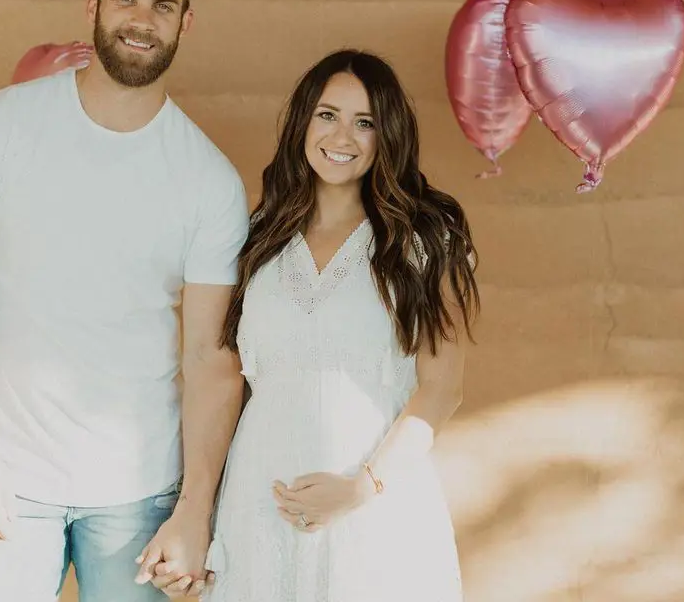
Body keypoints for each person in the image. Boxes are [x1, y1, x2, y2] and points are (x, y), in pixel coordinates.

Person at [0, 0, 248, 602]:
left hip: (140, 496)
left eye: (163, 4)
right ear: (92, 3)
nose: (141, 18)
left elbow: (210, 360)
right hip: (5, 481)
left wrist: (194, 510)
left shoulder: (209, 182)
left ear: (185, 22)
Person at [196, 49, 479, 601]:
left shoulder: (423, 240)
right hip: (260, 501)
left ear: (386, 135)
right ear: (303, 121)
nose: (342, 136)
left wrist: (360, 489)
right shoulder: (255, 239)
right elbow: (224, 380)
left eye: (364, 121)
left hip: (373, 505)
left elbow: (443, 389)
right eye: (327, 115)